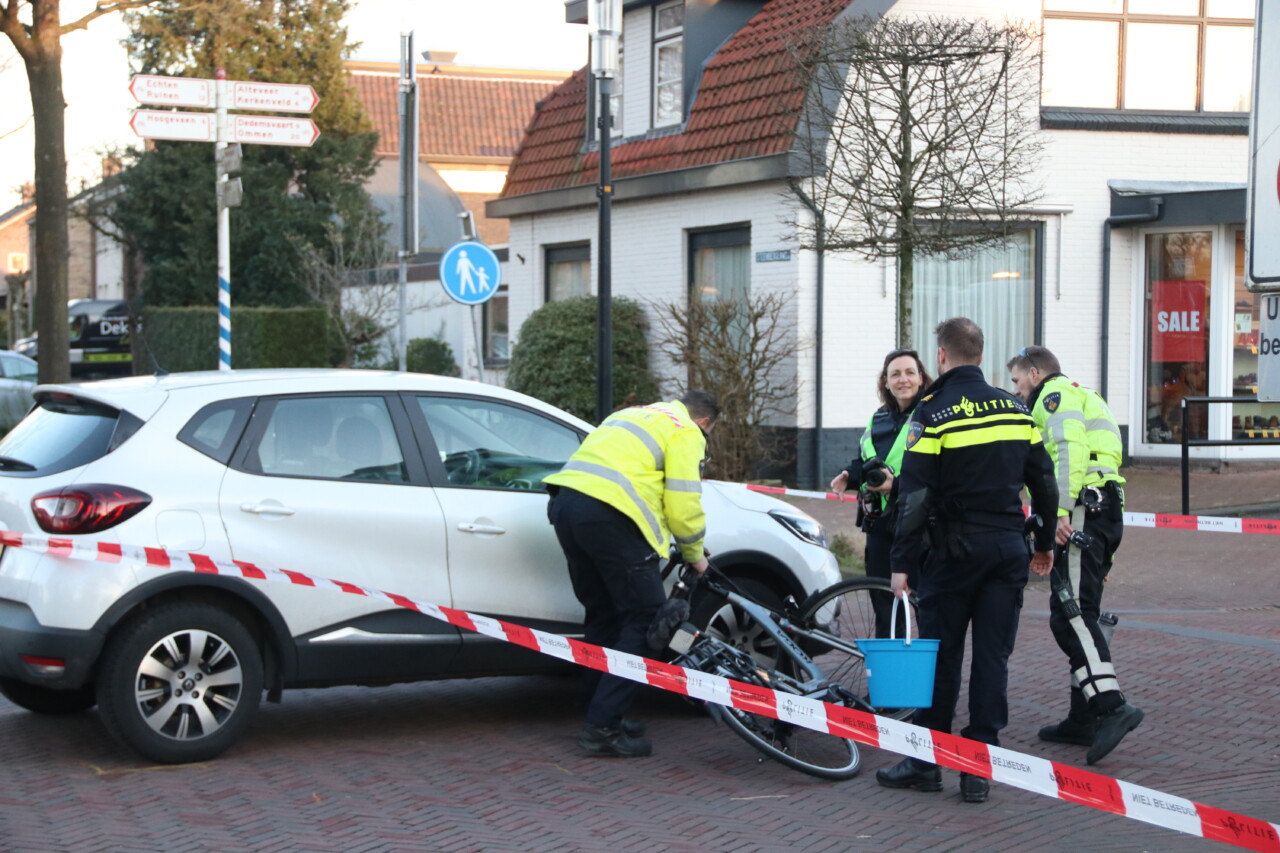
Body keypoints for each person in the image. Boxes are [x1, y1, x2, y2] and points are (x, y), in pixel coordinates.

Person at [875, 318, 1057, 805]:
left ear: (941, 356)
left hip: (953, 554)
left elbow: (914, 495)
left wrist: (901, 563)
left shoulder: (933, 412)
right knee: (993, 658)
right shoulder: (1016, 407)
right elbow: (1044, 481)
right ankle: (979, 769)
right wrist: (1043, 543)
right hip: (1006, 551)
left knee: (943, 657)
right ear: (981, 353)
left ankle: (925, 763)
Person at [544, 390, 719, 759]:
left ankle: (602, 712)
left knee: (603, 616)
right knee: (645, 623)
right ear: (704, 422)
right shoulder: (685, 430)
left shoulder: (631, 414)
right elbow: (683, 500)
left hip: (565, 506)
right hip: (611, 518)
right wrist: (694, 555)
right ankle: (602, 728)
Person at [1008, 346, 1143, 765]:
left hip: (1084, 510)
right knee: (1083, 610)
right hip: (1106, 509)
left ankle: (1110, 706)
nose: (1016, 390)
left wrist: (1060, 511)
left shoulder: (1053, 397)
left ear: (1035, 373)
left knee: (1070, 613)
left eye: (1017, 381)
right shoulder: (1088, 395)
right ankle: (1082, 717)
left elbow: (1067, 449)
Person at [830, 348, 932, 638]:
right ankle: (891, 674)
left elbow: (938, 475)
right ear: (885, 382)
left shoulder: (931, 417)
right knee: (884, 605)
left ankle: (928, 676)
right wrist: (849, 475)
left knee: (925, 603)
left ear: (921, 378)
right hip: (879, 527)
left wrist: (895, 485)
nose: (903, 379)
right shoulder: (879, 419)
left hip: (919, 526)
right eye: (895, 374)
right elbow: (865, 459)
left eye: (910, 372)